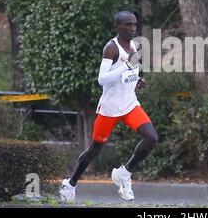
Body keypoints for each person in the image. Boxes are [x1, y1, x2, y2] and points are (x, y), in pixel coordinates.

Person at [59, 11, 158, 202]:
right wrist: (126, 67)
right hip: (110, 107)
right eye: (127, 25)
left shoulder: (136, 47)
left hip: (130, 104)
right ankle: (70, 184)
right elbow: (102, 79)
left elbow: (133, 72)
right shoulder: (111, 48)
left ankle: (124, 172)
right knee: (95, 149)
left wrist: (138, 79)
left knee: (151, 137)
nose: (131, 28)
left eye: (134, 24)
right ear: (117, 27)